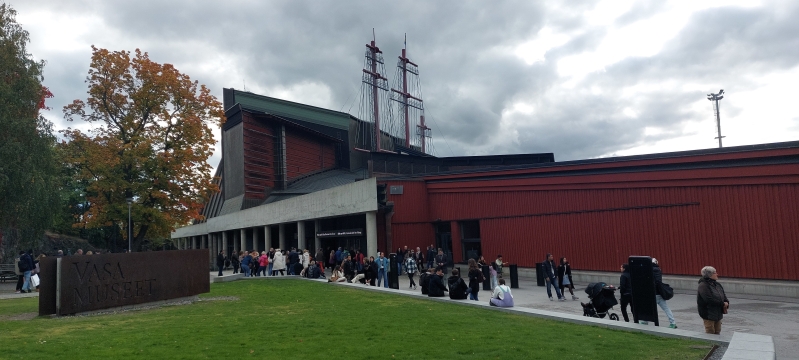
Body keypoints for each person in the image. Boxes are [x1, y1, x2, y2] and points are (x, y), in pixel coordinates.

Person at [698, 266, 729, 335]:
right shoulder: (703, 285)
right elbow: (709, 300)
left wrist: (726, 301)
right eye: (715, 273)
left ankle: (716, 346)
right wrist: (722, 304)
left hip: (718, 313)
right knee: (710, 332)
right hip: (708, 314)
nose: (717, 274)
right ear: (709, 275)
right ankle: (711, 346)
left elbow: (723, 295)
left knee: (717, 332)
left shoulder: (717, 284)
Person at [652, 258, 677, 328]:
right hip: (659, 293)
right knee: (666, 308)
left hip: (654, 293)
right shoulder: (658, 270)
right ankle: (673, 322)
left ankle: (645, 321)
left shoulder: (650, 270)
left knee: (649, 308)